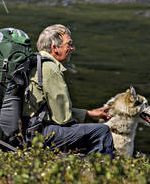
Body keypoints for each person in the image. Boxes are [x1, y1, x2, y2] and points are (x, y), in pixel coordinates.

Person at [22, 24, 115, 156]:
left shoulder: (36, 63)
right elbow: (62, 119)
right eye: (69, 44)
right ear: (55, 48)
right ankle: (100, 173)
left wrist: (89, 114)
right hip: (39, 134)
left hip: (27, 131)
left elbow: (48, 111)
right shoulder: (51, 69)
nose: (72, 48)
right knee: (102, 131)